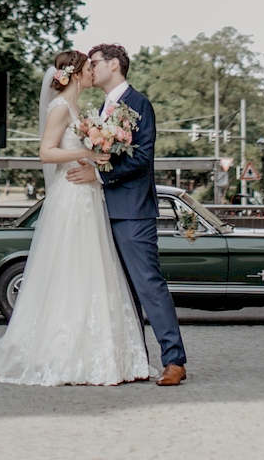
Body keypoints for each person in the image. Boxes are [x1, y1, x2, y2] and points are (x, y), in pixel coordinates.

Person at [0, 50, 155, 386]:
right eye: (88, 68)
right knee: (68, 268)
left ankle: (100, 354)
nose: (92, 72)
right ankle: (59, 352)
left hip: (89, 195)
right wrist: (87, 152)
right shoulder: (59, 107)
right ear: (74, 74)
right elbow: (46, 152)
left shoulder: (81, 111)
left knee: (92, 269)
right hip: (71, 197)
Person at [66, 43, 187, 386]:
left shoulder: (139, 104)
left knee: (148, 285)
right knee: (119, 292)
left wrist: (99, 175)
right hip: (101, 212)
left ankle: (175, 360)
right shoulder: (102, 108)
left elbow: (141, 159)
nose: (91, 68)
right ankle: (134, 360)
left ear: (114, 65)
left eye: (95, 63)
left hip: (132, 212)